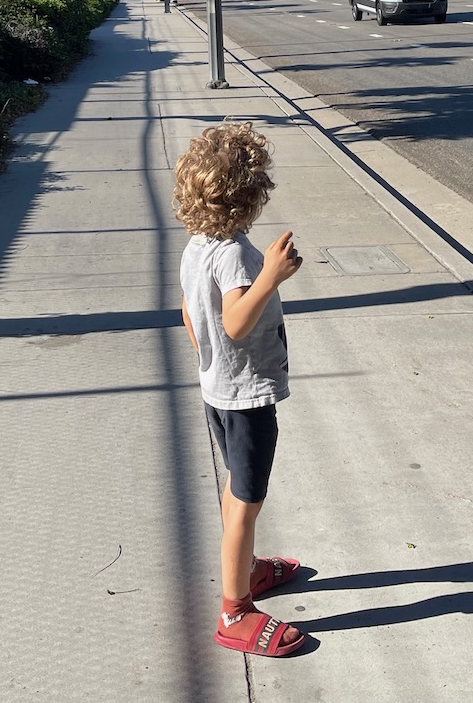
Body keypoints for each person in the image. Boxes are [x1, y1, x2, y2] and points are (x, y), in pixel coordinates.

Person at [174, 123, 307, 658]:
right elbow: (234, 321)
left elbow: (190, 312)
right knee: (245, 501)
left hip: (218, 389)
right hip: (247, 398)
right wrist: (270, 277)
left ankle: (247, 568)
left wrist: (208, 361)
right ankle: (235, 609)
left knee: (236, 487)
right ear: (250, 197)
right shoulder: (233, 255)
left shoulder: (195, 246)